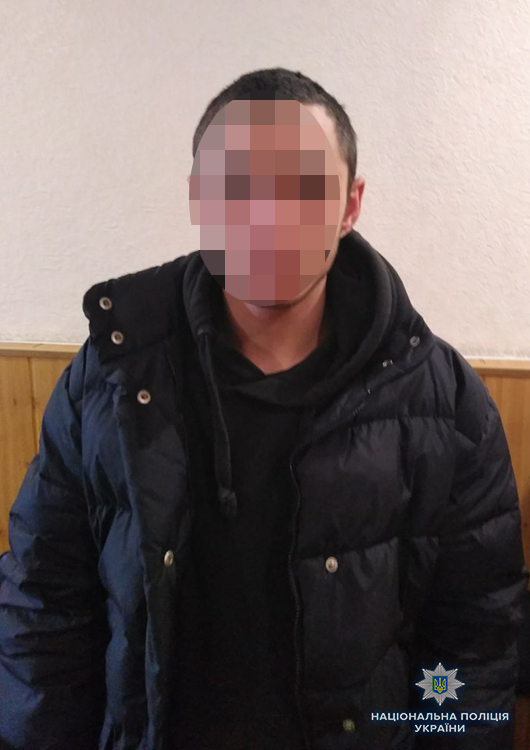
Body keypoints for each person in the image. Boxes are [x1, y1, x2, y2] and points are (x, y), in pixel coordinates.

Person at [0, 66, 527, 750]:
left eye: (304, 187)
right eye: (235, 186)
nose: (267, 216)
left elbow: (473, 644)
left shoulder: (443, 401)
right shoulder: (108, 379)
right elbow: (44, 604)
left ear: (350, 206)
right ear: (198, 198)